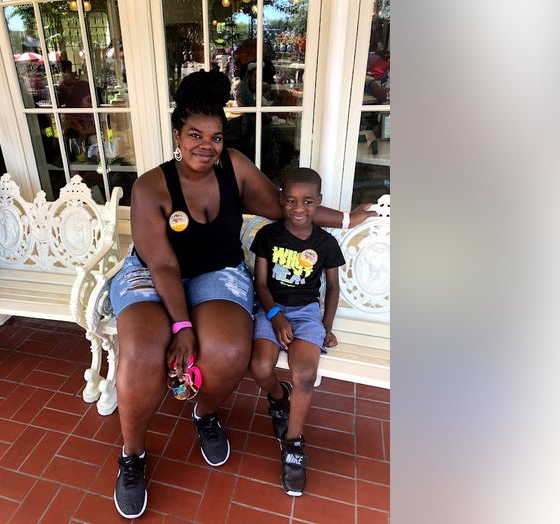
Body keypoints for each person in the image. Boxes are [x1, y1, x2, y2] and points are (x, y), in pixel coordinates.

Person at [106, 69, 376, 519]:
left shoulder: (233, 166)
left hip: (217, 271)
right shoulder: (151, 187)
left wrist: (347, 219)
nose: (206, 146)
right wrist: (182, 325)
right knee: (139, 351)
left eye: (215, 136)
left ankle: (204, 414)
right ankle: (132, 454)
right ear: (177, 134)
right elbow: (164, 264)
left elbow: (284, 206)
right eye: (195, 134)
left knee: (231, 350)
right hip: (154, 274)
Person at [248, 167, 346, 497]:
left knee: (304, 372)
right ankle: (279, 398)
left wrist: (326, 326)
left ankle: (293, 444)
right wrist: (275, 315)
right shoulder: (268, 236)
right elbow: (260, 283)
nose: (298, 208)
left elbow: (332, 288)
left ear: (318, 202)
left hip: (305, 315)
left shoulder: (325, 242)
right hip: (270, 308)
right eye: (290, 200)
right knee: (260, 368)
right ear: (281, 199)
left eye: (307, 201)